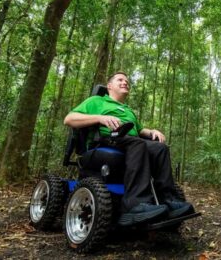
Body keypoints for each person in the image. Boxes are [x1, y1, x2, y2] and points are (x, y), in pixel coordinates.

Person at [63, 72, 193, 226]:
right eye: (120, 80)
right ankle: (134, 204)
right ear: (109, 86)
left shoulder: (128, 110)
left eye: (126, 81)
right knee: (138, 144)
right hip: (104, 141)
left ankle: (169, 200)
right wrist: (100, 118)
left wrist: (152, 131)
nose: (125, 82)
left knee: (160, 148)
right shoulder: (97, 101)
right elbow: (69, 119)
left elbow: (140, 131)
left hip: (130, 141)